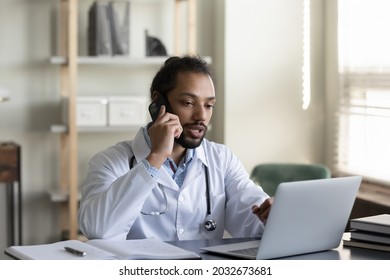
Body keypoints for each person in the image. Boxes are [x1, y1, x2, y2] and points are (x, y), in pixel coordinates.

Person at [78, 55, 273, 241]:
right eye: (188, 103)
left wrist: (270, 215)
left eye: (209, 105)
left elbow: (251, 216)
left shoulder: (221, 159)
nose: (201, 116)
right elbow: (98, 230)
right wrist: (155, 158)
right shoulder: (110, 162)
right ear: (158, 102)